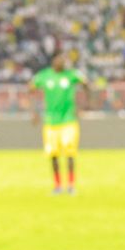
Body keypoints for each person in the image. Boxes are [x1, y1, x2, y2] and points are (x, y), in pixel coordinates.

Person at [30, 53, 88, 195]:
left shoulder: (71, 75)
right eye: (59, 59)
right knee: (53, 155)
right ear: (53, 61)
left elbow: (86, 84)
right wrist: (35, 111)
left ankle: (71, 186)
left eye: (63, 59)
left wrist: (83, 105)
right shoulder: (44, 76)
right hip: (50, 122)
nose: (61, 61)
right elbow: (31, 89)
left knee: (70, 154)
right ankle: (57, 185)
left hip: (68, 121)